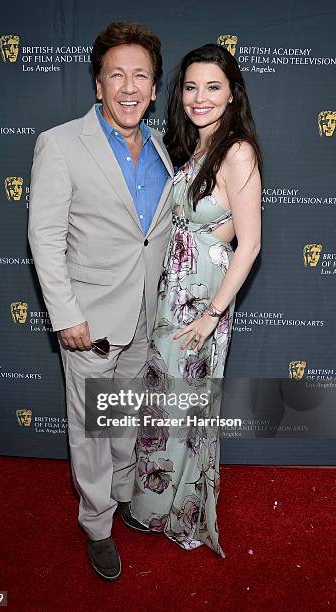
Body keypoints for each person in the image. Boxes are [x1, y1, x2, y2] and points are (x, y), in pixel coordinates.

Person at [28, 21, 173, 580]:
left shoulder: (162, 148)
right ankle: (96, 524)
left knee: (124, 419)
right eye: (117, 75)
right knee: (90, 431)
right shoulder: (61, 144)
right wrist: (65, 316)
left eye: (141, 76)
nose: (129, 86)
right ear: (98, 85)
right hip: (88, 322)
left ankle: (121, 497)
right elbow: (45, 236)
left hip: (143, 316)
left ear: (155, 88)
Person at [131, 43, 262, 557]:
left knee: (185, 404)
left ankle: (177, 510)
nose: (199, 97)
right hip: (175, 294)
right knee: (168, 402)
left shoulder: (238, 151)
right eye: (190, 86)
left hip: (201, 302)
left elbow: (249, 245)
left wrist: (211, 316)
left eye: (213, 87)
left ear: (232, 95)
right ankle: (154, 503)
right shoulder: (195, 149)